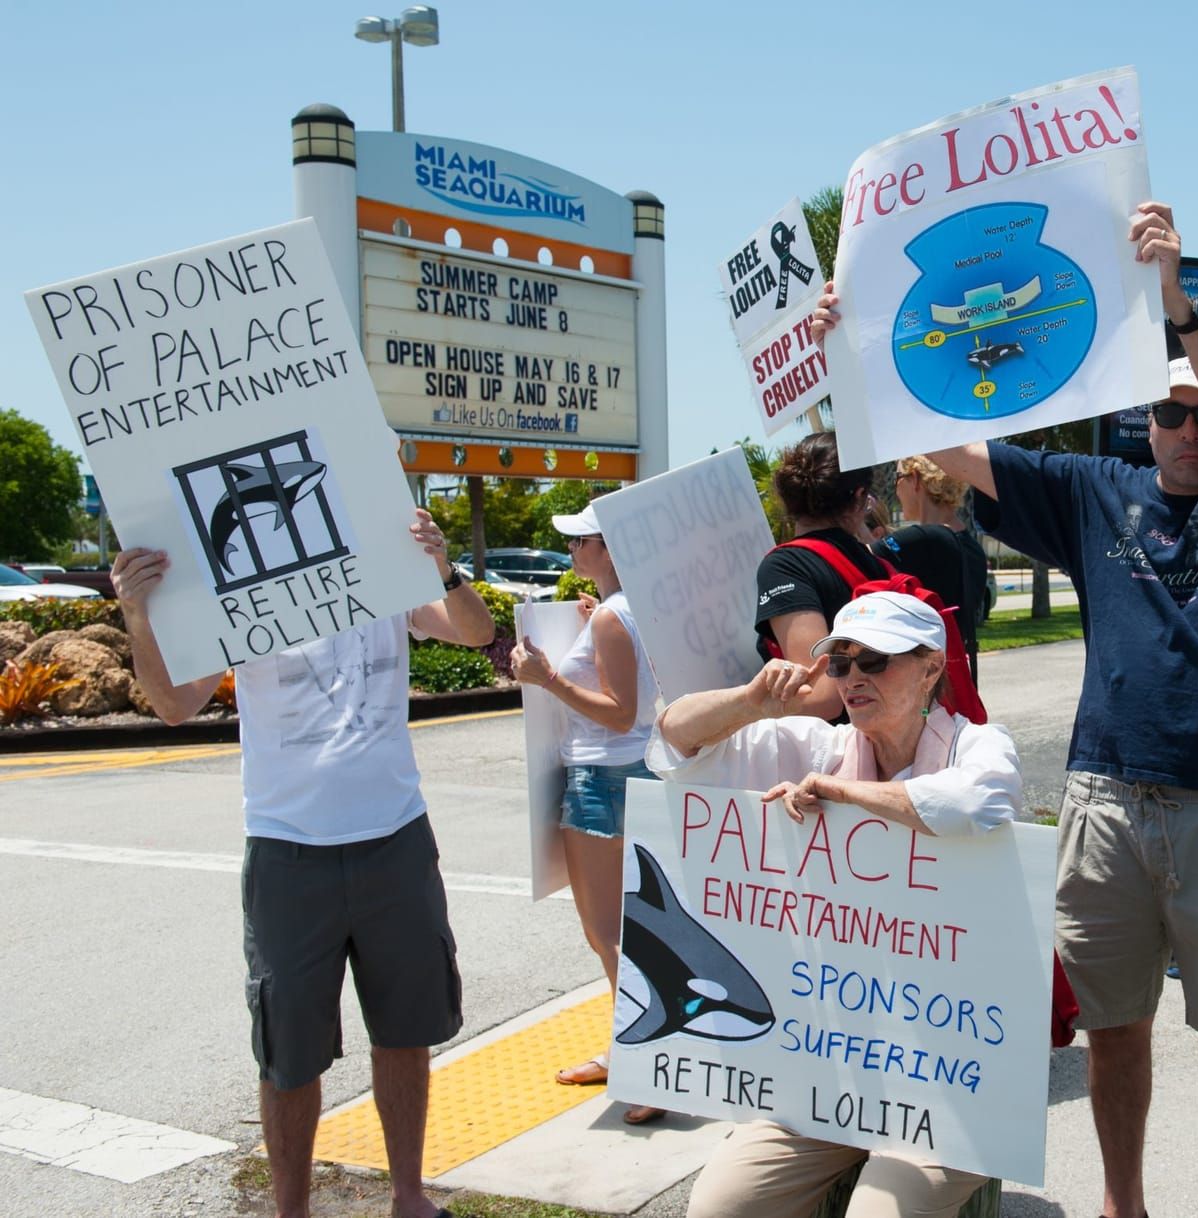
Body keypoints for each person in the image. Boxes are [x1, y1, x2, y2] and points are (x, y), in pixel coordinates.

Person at [811, 200, 1198, 1218]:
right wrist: (851, 355)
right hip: (1103, 802)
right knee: (1114, 1027)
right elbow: (947, 448)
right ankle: (1124, 1204)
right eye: (1170, 411)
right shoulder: (1091, 488)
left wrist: (1175, 309)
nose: (1190, 427)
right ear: (1143, 421)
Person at [113, 508, 493, 1218]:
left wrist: (442, 566)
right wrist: (137, 614)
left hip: (395, 837)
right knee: (288, 1053)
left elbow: (475, 631)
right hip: (288, 849)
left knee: (405, 1031)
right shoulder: (240, 586)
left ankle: (408, 1195)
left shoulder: (380, 565)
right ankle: (292, 1211)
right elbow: (172, 704)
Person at [653, 591, 1023, 1218]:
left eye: (874, 661)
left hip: (949, 1079)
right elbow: (675, 741)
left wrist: (841, 796)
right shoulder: (818, 745)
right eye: (841, 662)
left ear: (931, 668)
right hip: (826, 1069)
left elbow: (975, 805)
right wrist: (750, 701)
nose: (852, 677)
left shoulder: (976, 746)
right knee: (721, 1208)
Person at [511, 500, 665, 1125]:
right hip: (641, 772)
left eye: (582, 542)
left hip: (603, 776)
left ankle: (643, 1062)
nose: (574, 552)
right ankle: (635, 1050)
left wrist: (546, 678)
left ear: (607, 550)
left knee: (609, 933)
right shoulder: (633, 608)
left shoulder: (611, 617)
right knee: (639, 928)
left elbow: (618, 712)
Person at [755, 431, 894, 720]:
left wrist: (733, 709)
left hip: (838, 753)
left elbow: (823, 696)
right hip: (889, 737)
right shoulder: (874, 562)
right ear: (858, 496)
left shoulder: (786, 566)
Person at [874, 455, 988, 680]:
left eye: (898, 478)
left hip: (924, 680)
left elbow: (855, 555)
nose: (896, 489)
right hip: (953, 675)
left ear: (915, 479)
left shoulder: (926, 539)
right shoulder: (971, 546)